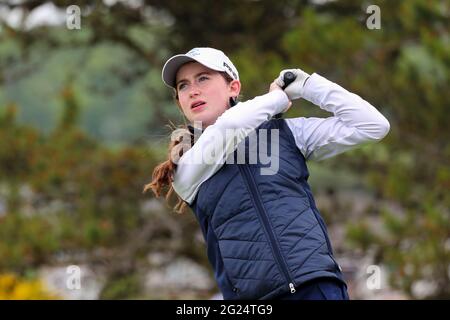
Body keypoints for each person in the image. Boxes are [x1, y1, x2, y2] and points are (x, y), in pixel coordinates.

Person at [144, 47, 390, 300]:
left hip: (317, 285)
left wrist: (308, 85)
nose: (193, 90)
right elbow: (231, 125)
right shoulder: (185, 165)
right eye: (183, 86)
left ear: (233, 88)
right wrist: (277, 99)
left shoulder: (287, 133)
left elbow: (373, 125)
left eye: (203, 78)